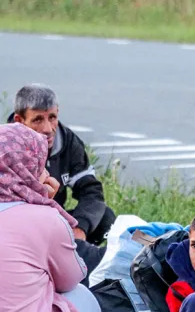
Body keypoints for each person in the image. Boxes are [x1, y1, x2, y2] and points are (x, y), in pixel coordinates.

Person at [0, 124, 101, 312]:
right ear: (24, 168)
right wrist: (47, 204)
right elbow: (71, 277)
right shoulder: (43, 219)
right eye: (41, 165)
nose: (47, 173)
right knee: (81, 297)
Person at [8, 84, 116, 247]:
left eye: (52, 117)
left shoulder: (68, 142)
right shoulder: (6, 148)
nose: (47, 129)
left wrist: (80, 229)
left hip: (52, 221)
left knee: (105, 218)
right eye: (38, 120)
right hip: (17, 225)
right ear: (19, 120)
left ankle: (75, 252)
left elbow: (91, 192)